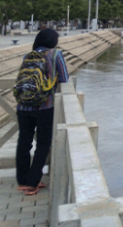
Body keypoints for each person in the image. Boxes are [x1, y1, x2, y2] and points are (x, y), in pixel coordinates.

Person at [15, 29, 69, 196]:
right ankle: (32, 183)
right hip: (44, 106)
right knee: (43, 144)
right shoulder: (55, 54)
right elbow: (64, 78)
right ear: (52, 41)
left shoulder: (28, 56)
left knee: (24, 142)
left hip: (23, 106)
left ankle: (22, 181)